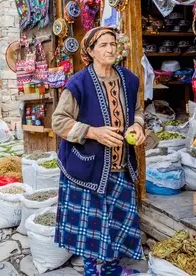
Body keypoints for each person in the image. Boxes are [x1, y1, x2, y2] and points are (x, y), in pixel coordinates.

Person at [51, 27, 146, 276]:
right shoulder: (78, 84)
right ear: (90, 51)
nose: (110, 49)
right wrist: (93, 133)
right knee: (91, 226)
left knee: (117, 223)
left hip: (121, 166)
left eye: (113, 44)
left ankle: (112, 269)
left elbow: (138, 110)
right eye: (103, 45)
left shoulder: (129, 79)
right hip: (87, 168)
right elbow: (59, 122)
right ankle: (92, 271)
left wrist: (137, 124)